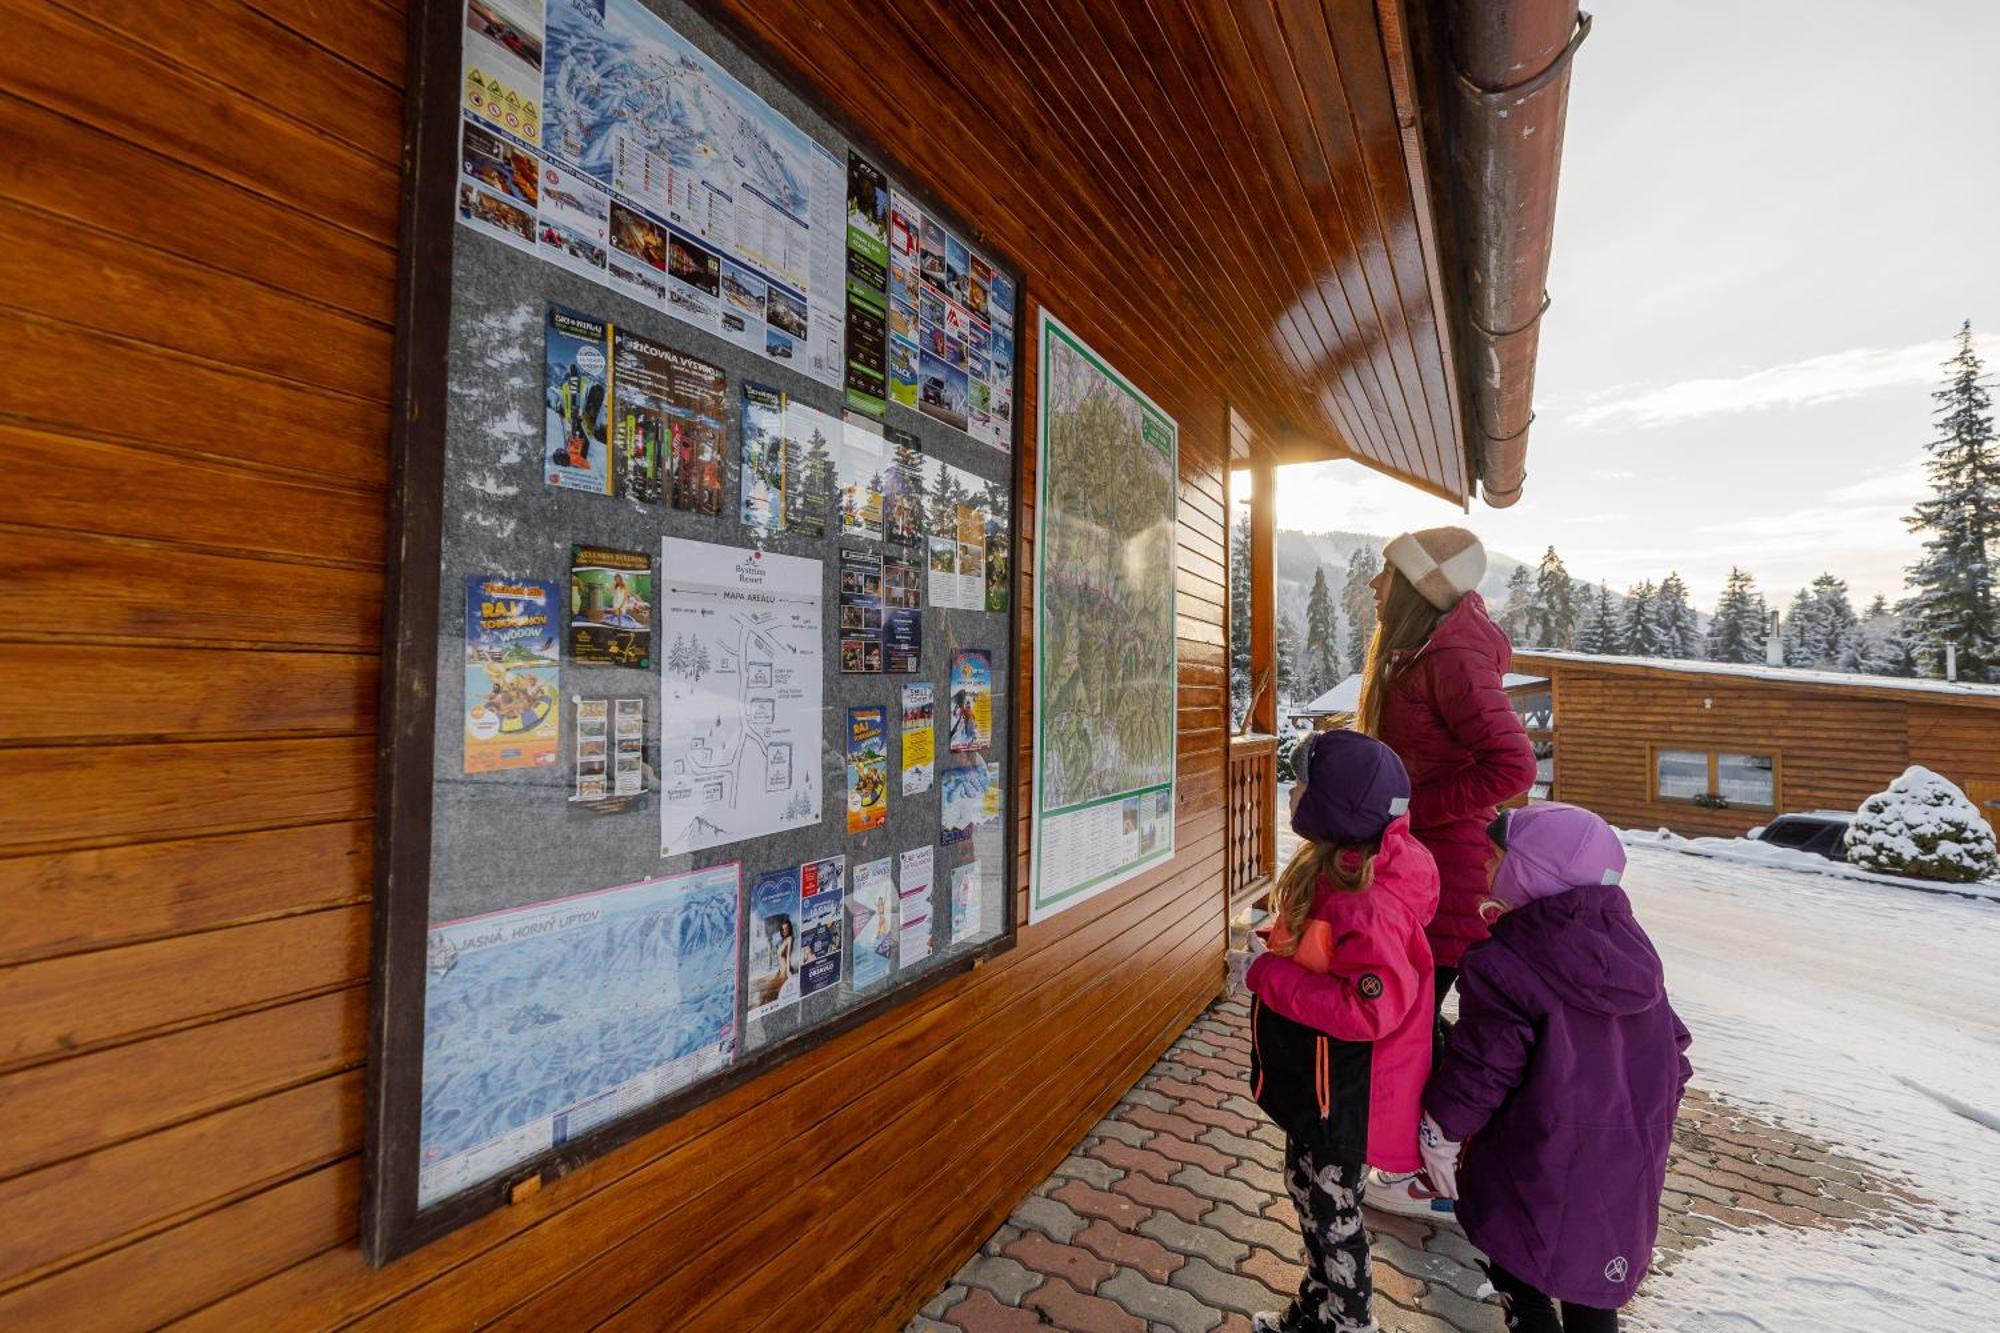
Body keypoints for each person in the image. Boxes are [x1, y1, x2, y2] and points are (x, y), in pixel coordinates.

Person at [1417, 804, 1693, 1333]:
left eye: (1496, 860)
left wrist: (1442, 1128)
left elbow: (1482, 1065)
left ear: (1533, 876)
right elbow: (1673, 1050)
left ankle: (1528, 1313)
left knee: (1517, 1256)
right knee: (1591, 1283)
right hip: (1623, 1158)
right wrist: (1639, 1117)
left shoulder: (1507, 963)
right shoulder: (1633, 954)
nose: (1485, 870)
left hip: (1537, 1151)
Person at [1230, 730, 1439, 1333]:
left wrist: (1267, 977)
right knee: (1305, 1188)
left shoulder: (1367, 901)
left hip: (1346, 1094)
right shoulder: (1341, 870)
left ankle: (1350, 1324)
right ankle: (1317, 1313)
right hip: (1321, 1086)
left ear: (1338, 808)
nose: (1292, 792)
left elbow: (1370, 1008)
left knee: (1332, 1207)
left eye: (1302, 785)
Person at [1354, 526, 1536, 1216]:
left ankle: (1430, 1178)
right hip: (1422, 873)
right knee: (1416, 1026)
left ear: (1419, 587)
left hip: (1448, 882)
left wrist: (1413, 810)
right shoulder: (1426, 652)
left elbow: (1514, 764)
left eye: (1387, 573)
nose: (1376, 586)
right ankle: (1438, 1168)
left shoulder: (1454, 659)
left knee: (1413, 1032)